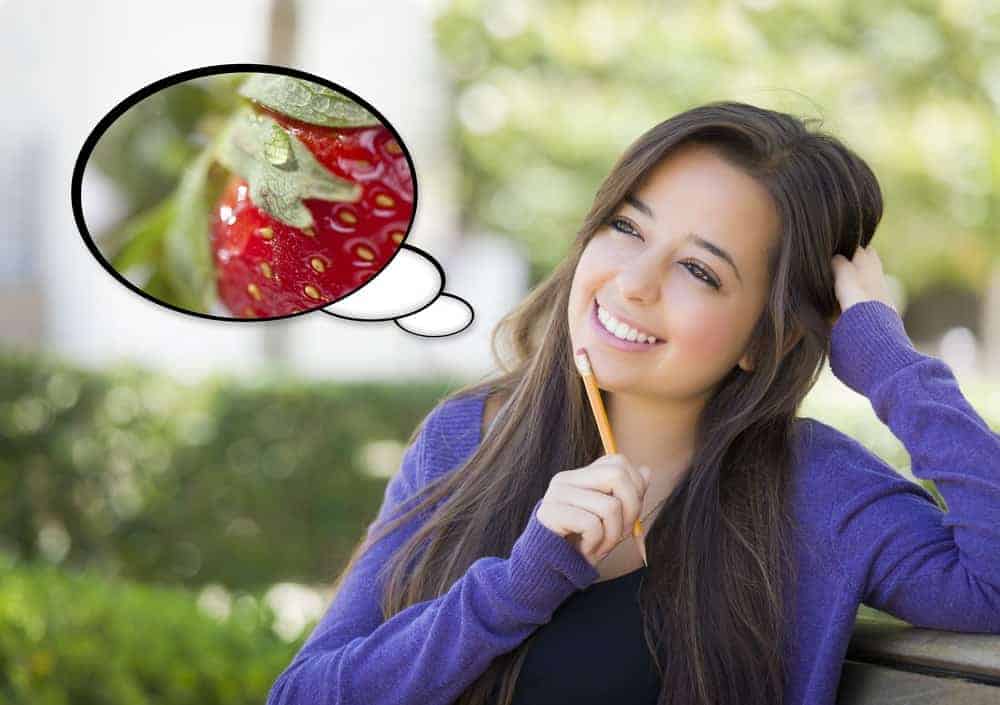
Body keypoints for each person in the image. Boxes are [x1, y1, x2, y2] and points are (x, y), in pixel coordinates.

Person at [265, 101, 1000, 705]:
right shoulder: (467, 437)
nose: (634, 282)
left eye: (698, 270)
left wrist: (888, 362)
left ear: (763, 340)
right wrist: (517, 586)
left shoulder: (814, 488)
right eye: (626, 227)